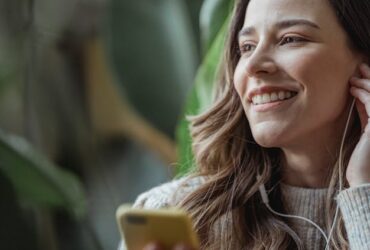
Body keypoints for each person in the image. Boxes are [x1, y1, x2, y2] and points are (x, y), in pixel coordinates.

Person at [119, 0, 370, 249]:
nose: (252, 65)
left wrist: (363, 192)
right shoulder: (175, 211)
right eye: (247, 46)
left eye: (290, 39)